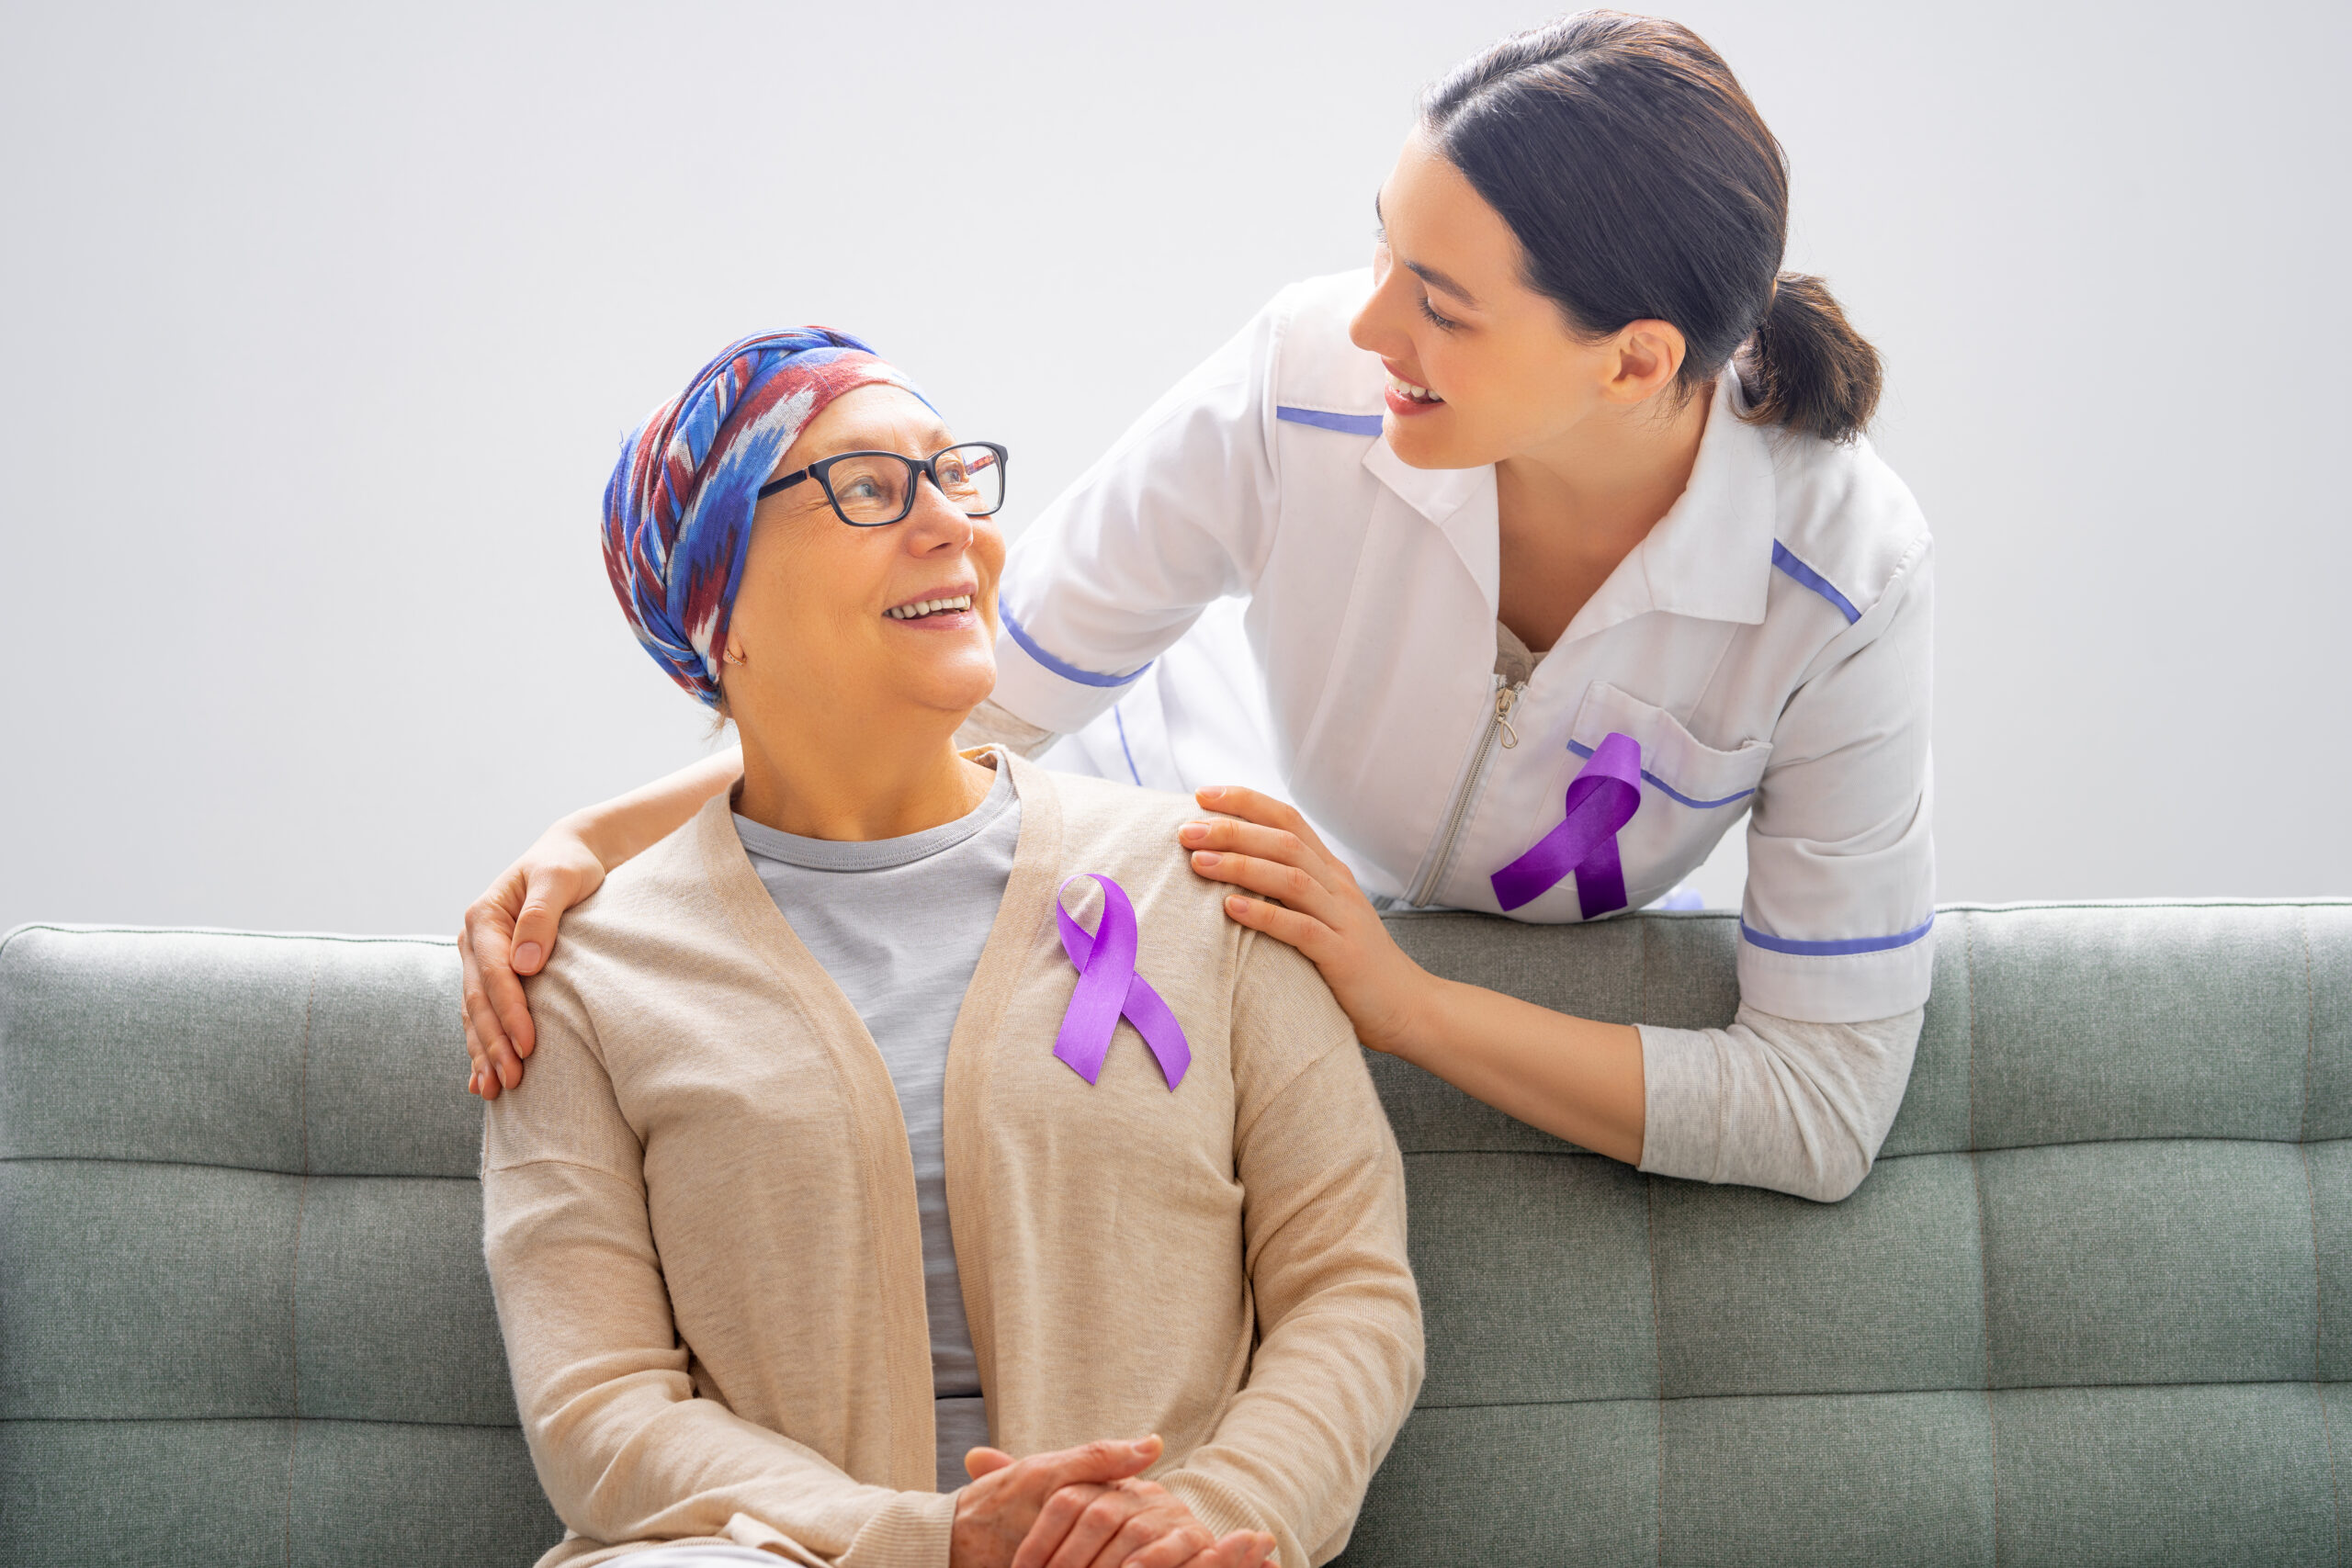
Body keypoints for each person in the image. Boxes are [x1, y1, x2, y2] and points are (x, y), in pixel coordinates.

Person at [466, 12, 1932, 1204]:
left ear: (1632, 362)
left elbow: (1820, 1105)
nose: (1368, 328)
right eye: (1381, 253)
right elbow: (980, 704)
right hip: (1159, 903)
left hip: (1458, 984)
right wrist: (595, 841)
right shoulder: (1308, 380)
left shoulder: (1843, 579)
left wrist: (1401, 1000)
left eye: (1439, 301)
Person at [481, 331, 1421, 1568]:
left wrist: (1203, 1515)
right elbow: (598, 1409)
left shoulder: (1207, 879)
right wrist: (925, 1541)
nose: (949, 527)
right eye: (867, 490)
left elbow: (1350, 1293)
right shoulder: (583, 977)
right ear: (720, 610)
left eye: (953, 476)